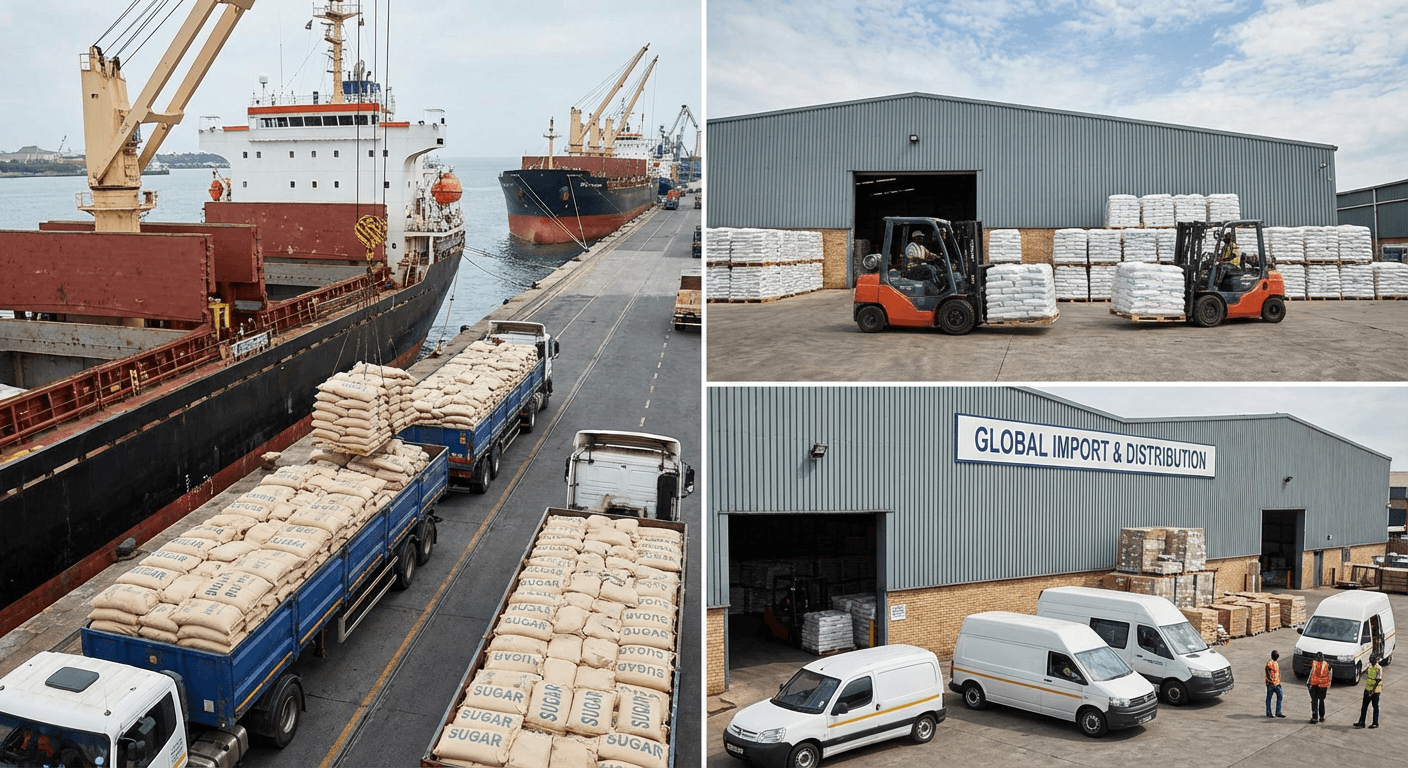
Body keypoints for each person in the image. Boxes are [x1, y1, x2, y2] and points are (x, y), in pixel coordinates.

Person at [1354, 654, 1383, 729]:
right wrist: (1368, 690)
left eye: (1372, 661)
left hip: (1375, 691)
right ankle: (1361, 722)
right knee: (1364, 706)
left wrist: (1372, 691)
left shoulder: (1378, 668)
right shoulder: (1370, 667)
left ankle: (1375, 723)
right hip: (1367, 689)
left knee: (1375, 707)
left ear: (1376, 660)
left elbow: (1378, 680)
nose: (1371, 662)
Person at [1308, 650, 1332, 723]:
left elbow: (1310, 674)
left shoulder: (1313, 663)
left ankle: (1314, 717)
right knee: (1321, 701)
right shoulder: (1327, 665)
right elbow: (1330, 675)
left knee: (1314, 701)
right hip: (1323, 686)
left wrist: (1309, 684)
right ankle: (1321, 717)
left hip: (1314, 684)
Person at [1265, 650, 1286, 718]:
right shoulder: (1270, 663)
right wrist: (1271, 681)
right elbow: (1267, 672)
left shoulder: (1276, 662)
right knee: (1269, 698)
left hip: (1277, 683)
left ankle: (1278, 712)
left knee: (1280, 696)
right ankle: (1269, 712)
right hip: (1271, 684)